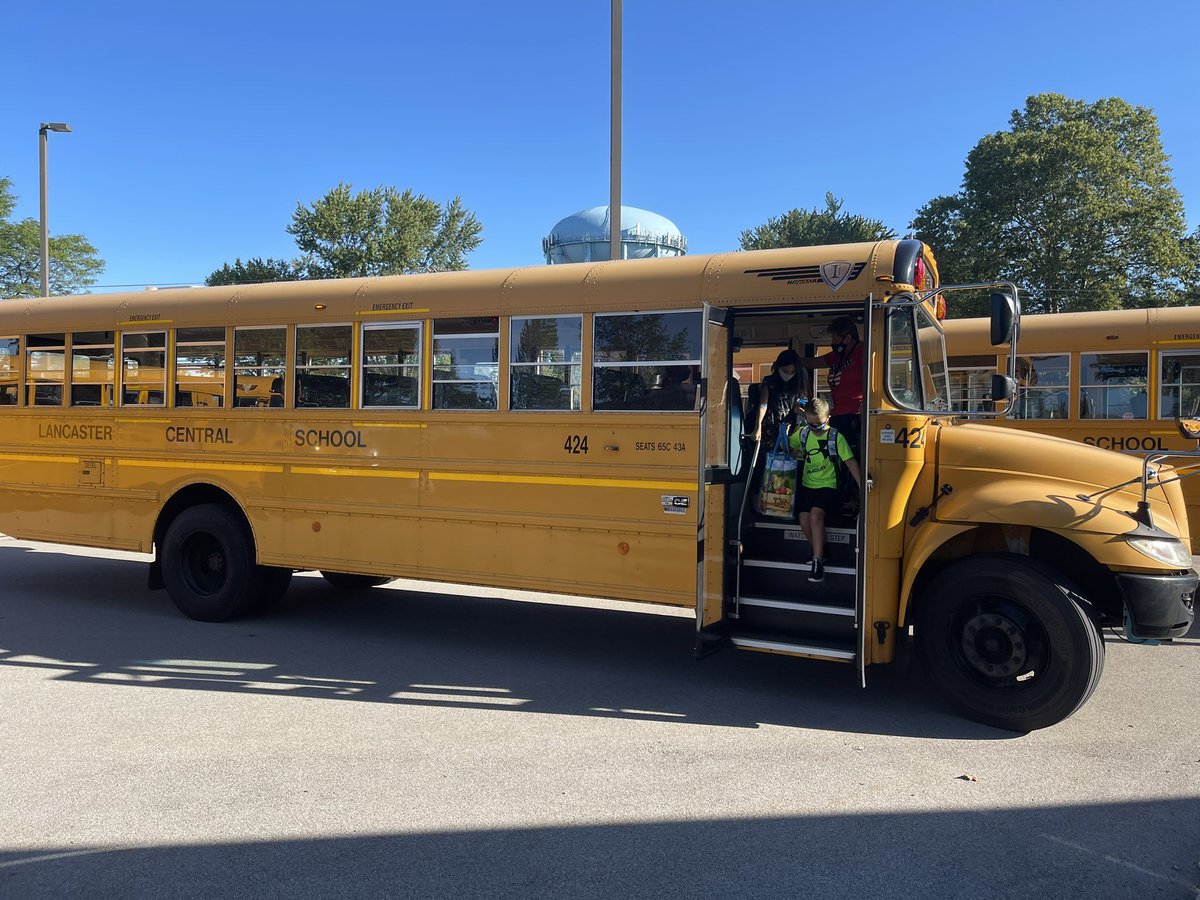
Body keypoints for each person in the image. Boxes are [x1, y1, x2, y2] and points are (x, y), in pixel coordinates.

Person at [789, 397, 861, 583]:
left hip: (829, 484)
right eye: (811, 424)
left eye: (819, 424)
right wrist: (793, 452)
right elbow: (790, 445)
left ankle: (817, 561)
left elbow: (850, 462)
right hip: (808, 483)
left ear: (828, 418)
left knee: (815, 516)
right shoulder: (803, 434)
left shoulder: (836, 437)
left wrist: (862, 486)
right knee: (803, 518)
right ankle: (819, 550)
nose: (815, 428)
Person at [749, 350, 807, 512]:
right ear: (778, 367)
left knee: (788, 465)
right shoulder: (769, 382)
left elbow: (797, 406)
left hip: (789, 429)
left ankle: (785, 504)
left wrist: (807, 414)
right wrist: (758, 426)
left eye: (792, 372)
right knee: (766, 465)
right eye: (786, 371)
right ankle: (763, 504)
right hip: (770, 426)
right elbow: (763, 405)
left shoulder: (799, 383)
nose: (789, 374)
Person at [799, 317, 863, 452]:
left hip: (854, 414)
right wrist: (792, 360)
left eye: (835, 339)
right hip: (836, 413)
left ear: (848, 338)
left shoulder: (861, 352)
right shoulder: (838, 356)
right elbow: (816, 362)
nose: (832, 343)